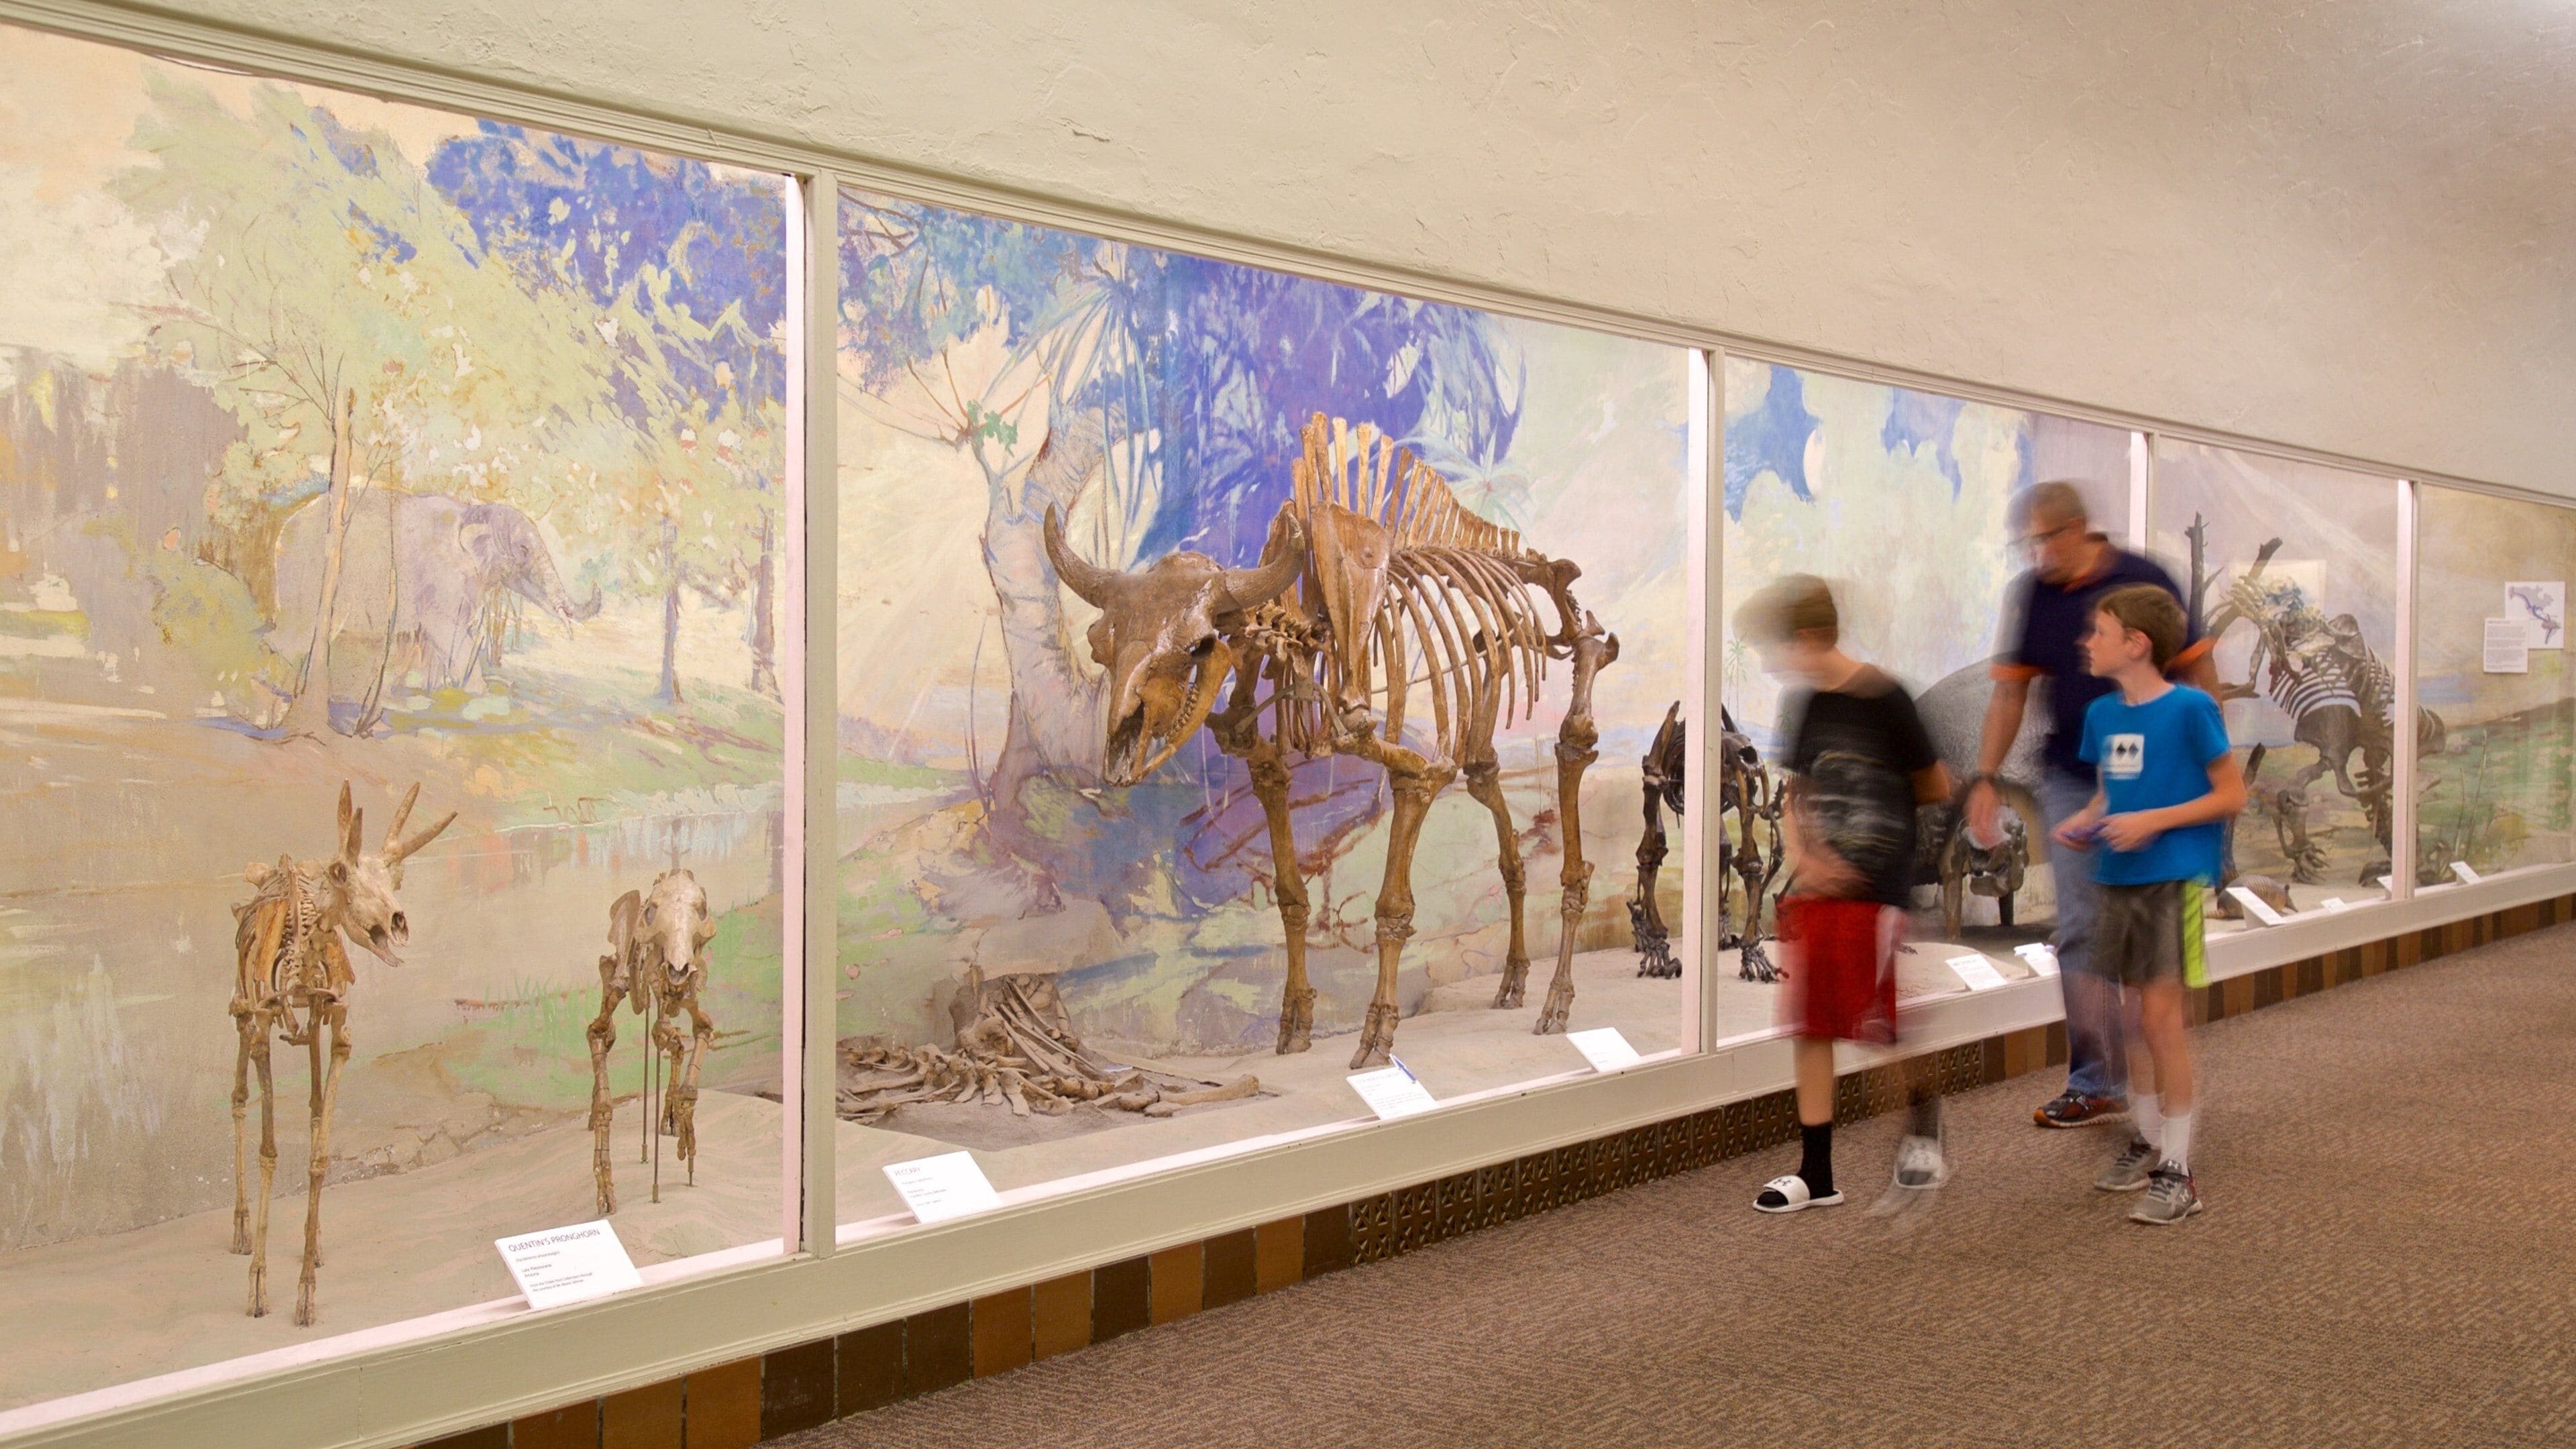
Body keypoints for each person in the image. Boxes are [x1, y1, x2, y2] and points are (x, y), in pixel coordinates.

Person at [1966, 482, 2216, 1130]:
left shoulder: (2143, 580)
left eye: (2046, 540)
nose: (2038, 555)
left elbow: (2198, 673)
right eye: (2029, 544)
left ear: (2078, 529)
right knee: (2079, 928)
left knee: (2147, 944)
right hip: (2077, 778)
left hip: (2156, 786)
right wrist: (1985, 778)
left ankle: (2165, 1099)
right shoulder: (2035, 596)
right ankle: (2097, 1081)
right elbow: (2009, 695)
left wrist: (2202, 769)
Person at [1735, 576, 1953, 1214]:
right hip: (1819, 892)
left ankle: (1923, 1123)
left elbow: (1934, 784)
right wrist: (1808, 858)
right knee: (1812, 1026)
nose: (1776, 663)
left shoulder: (1888, 700)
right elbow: (1796, 792)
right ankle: (1817, 1172)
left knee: (1877, 1025)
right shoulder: (1808, 706)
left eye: (1781, 647)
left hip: (1874, 892)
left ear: (1809, 636)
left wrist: (1872, 842)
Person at [2050, 585, 2244, 1224]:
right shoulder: (2103, 715)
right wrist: (2086, 820)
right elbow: (2111, 794)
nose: (2087, 642)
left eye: (2100, 632)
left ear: (2136, 644)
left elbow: (2231, 795)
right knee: (2132, 1022)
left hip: (2172, 880)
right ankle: (2150, 1137)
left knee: (2160, 1023)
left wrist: (2154, 822)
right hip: (2117, 878)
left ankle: (2179, 1172)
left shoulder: (2191, 708)